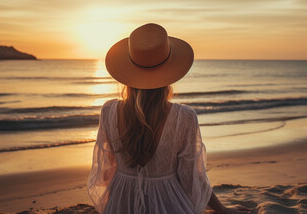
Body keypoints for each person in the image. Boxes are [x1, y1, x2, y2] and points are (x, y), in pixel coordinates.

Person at [87, 23, 250, 214]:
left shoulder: (109, 111)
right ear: (169, 73)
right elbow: (192, 178)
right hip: (168, 203)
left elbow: (106, 172)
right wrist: (222, 210)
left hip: (121, 202)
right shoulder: (183, 117)